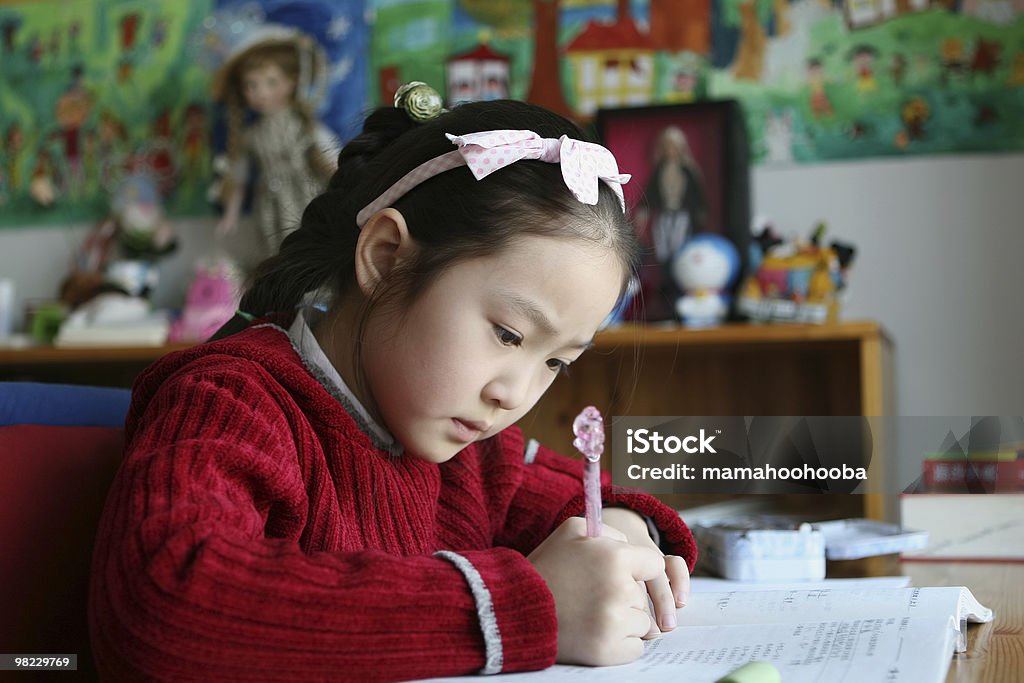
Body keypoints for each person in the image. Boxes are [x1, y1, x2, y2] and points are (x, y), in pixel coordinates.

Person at [89, 94, 698, 681]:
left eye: (558, 362)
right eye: (510, 335)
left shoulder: (468, 454)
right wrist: (517, 608)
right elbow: (164, 602)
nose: (514, 394)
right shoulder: (231, 400)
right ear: (386, 258)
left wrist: (621, 529)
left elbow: (577, 496)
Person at [211, 29, 337, 254]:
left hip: (306, 197)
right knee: (277, 251)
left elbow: (329, 155)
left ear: (291, 82)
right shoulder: (251, 135)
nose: (260, 93)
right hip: (270, 206)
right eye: (251, 85)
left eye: (271, 82)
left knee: (312, 247)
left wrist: (343, 182)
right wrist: (231, 215)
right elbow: (239, 176)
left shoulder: (302, 124)